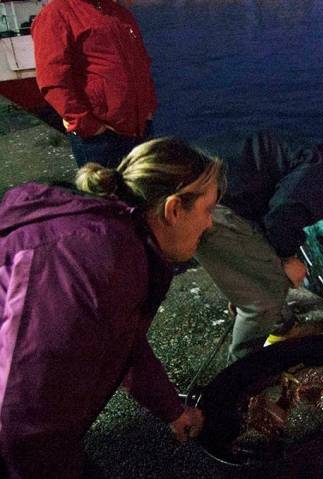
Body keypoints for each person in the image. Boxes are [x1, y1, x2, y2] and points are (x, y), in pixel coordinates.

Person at [0, 138, 225, 478]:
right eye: (207, 210)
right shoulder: (96, 260)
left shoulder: (118, 236)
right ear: (174, 209)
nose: (211, 224)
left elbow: (122, 338)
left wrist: (172, 410)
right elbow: (23, 408)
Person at [195, 130, 323, 361]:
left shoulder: (291, 154)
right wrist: (286, 260)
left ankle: (281, 326)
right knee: (267, 289)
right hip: (210, 204)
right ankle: (243, 372)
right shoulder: (321, 173)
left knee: (261, 261)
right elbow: (282, 214)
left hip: (200, 186)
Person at [32, 0, 157, 168]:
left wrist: (148, 109)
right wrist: (87, 125)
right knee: (104, 194)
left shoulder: (118, 12)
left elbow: (142, 62)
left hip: (140, 130)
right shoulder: (56, 14)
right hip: (100, 139)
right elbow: (52, 80)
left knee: (143, 192)